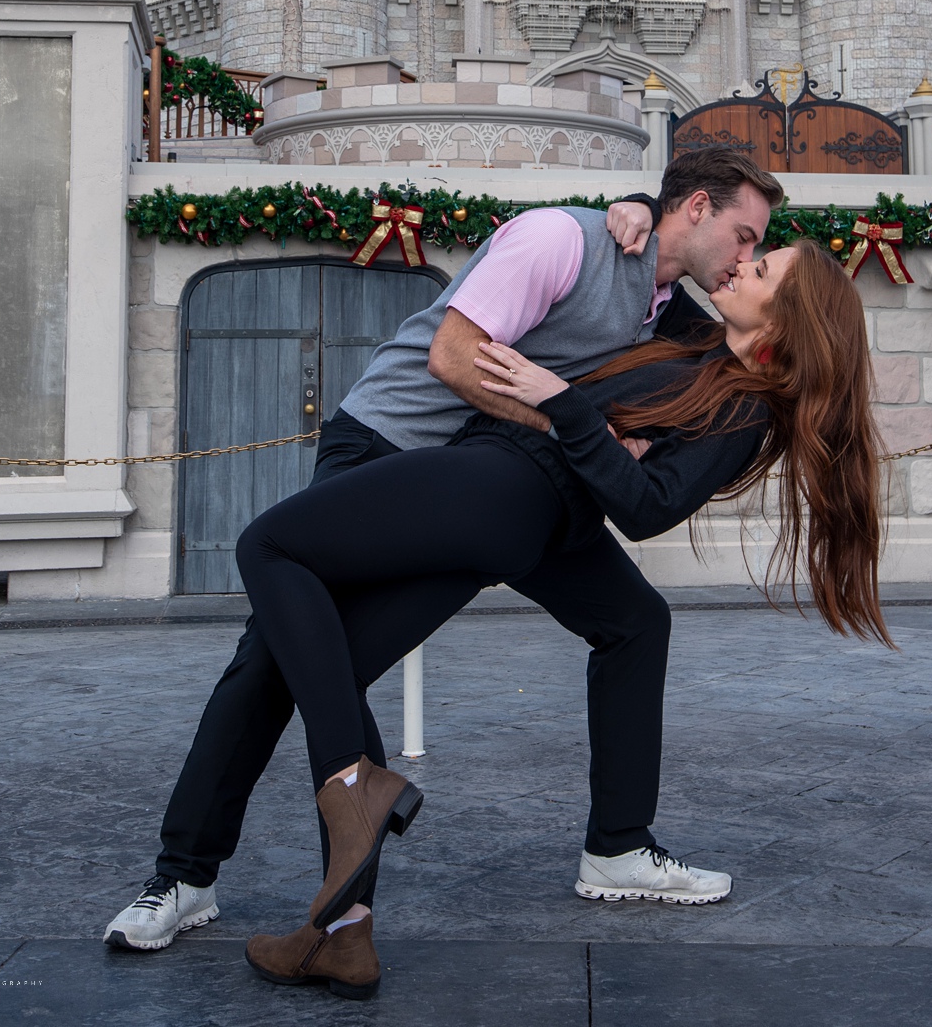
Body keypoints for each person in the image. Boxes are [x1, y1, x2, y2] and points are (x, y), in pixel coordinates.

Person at [104, 150, 783, 956]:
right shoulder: (558, 241)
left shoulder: (670, 305)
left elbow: (763, 349)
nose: (745, 257)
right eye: (744, 236)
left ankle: (617, 843)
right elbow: (451, 361)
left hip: (499, 488)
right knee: (281, 661)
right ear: (698, 207)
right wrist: (586, 428)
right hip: (389, 449)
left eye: (757, 251)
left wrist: (637, 204)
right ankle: (196, 876)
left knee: (636, 619)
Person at [237, 235, 887, 1000]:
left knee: (269, 543)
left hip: (498, 486)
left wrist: (563, 401)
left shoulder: (744, 409)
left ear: (784, 325)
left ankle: (350, 784)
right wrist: (641, 210)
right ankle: (346, 936)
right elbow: (660, 263)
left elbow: (648, 509)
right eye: (754, 251)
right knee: (633, 622)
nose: (743, 264)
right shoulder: (700, 342)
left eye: (764, 268)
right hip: (531, 517)